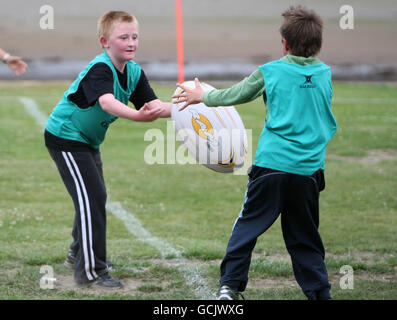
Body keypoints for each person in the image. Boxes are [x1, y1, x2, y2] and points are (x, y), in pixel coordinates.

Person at [173, 5, 337, 300]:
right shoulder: (324, 74)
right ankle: (320, 293)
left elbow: (234, 95)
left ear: (284, 43)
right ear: (319, 44)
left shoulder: (270, 71)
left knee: (247, 227)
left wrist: (202, 96)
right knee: (305, 239)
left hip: (271, 166)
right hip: (308, 173)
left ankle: (229, 287)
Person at [44, 11, 171, 288]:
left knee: (92, 197)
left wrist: (195, 109)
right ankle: (91, 272)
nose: (131, 42)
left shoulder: (134, 72)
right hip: (65, 137)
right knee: (93, 197)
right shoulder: (101, 68)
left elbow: (154, 107)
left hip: (87, 141)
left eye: (134, 36)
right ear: (105, 42)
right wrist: (136, 117)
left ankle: (78, 251)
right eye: (123, 37)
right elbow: (107, 102)